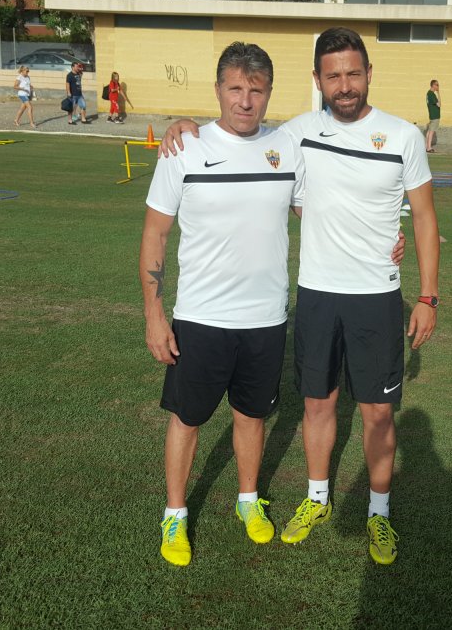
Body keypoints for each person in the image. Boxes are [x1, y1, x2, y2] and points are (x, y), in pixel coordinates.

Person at [160, 27, 441, 566]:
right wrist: (186, 126)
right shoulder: (297, 134)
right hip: (315, 292)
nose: (344, 85)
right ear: (317, 81)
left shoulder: (402, 136)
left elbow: (424, 218)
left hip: (377, 297)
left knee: (379, 413)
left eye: (353, 73)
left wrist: (427, 296)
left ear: (368, 75)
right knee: (317, 404)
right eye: (333, 75)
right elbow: (240, 133)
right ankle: (317, 500)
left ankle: (379, 516)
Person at [141, 43, 306, 568]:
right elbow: (154, 234)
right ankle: (174, 514)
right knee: (187, 420)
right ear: (218, 90)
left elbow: (321, 213)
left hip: (265, 319)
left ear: (269, 93)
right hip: (201, 318)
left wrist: (384, 242)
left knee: (251, 415)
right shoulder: (183, 148)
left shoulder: (287, 148)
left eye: (256, 90)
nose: (245, 101)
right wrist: (154, 314)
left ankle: (247, 501)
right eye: (235, 88)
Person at [424, 79, 440, 152]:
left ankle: (426, 146)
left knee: (429, 131)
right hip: (434, 116)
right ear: (433, 85)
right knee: (431, 132)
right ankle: (429, 147)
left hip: (431, 115)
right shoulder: (431, 94)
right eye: (437, 85)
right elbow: (439, 104)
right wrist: (438, 93)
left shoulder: (428, 93)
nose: (438, 86)